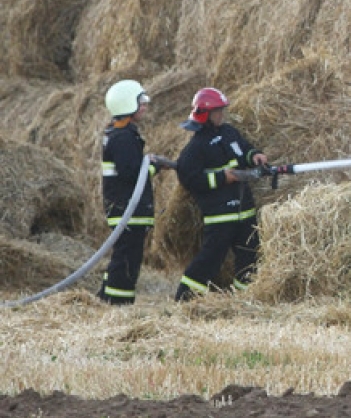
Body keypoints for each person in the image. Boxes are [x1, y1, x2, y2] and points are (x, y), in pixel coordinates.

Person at [173, 87, 269, 301]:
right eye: (217, 111)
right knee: (210, 259)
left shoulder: (229, 133)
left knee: (250, 257)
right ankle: (185, 299)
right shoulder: (195, 147)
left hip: (245, 212)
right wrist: (221, 178)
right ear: (205, 115)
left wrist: (254, 155)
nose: (221, 114)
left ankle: (244, 299)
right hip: (220, 216)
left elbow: (243, 149)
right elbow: (189, 178)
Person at [98, 79, 175, 305]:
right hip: (127, 208)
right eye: (141, 102)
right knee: (127, 258)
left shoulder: (119, 133)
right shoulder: (123, 137)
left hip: (124, 207)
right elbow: (131, 173)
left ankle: (107, 297)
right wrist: (153, 167)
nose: (145, 106)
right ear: (126, 104)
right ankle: (118, 303)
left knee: (122, 255)